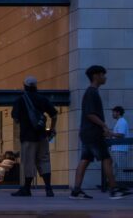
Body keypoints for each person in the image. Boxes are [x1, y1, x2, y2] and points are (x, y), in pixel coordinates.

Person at [71, 65, 132, 199]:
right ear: (96, 76)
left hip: (87, 133)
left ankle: (76, 191)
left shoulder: (91, 92)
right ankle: (114, 190)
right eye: (103, 75)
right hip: (93, 133)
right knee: (107, 159)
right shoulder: (92, 93)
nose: (105, 77)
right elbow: (90, 114)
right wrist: (104, 126)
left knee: (85, 160)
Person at [10, 75, 58, 197]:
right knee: (44, 160)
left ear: (24, 86)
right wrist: (52, 129)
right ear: (36, 86)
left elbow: (16, 119)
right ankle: (48, 188)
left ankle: (26, 188)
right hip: (42, 136)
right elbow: (54, 115)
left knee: (28, 162)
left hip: (27, 136)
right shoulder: (43, 99)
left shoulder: (20, 100)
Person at [113, 106, 130, 183]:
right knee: (117, 168)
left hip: (120, 149)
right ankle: (115, 184)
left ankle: (123, 185)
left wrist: (110, 134)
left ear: (118, 112)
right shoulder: (119, 121)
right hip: (118, 149)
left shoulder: (122, 122)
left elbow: (121, 135)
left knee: (120, 168)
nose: (113, 114)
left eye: (114, 112)